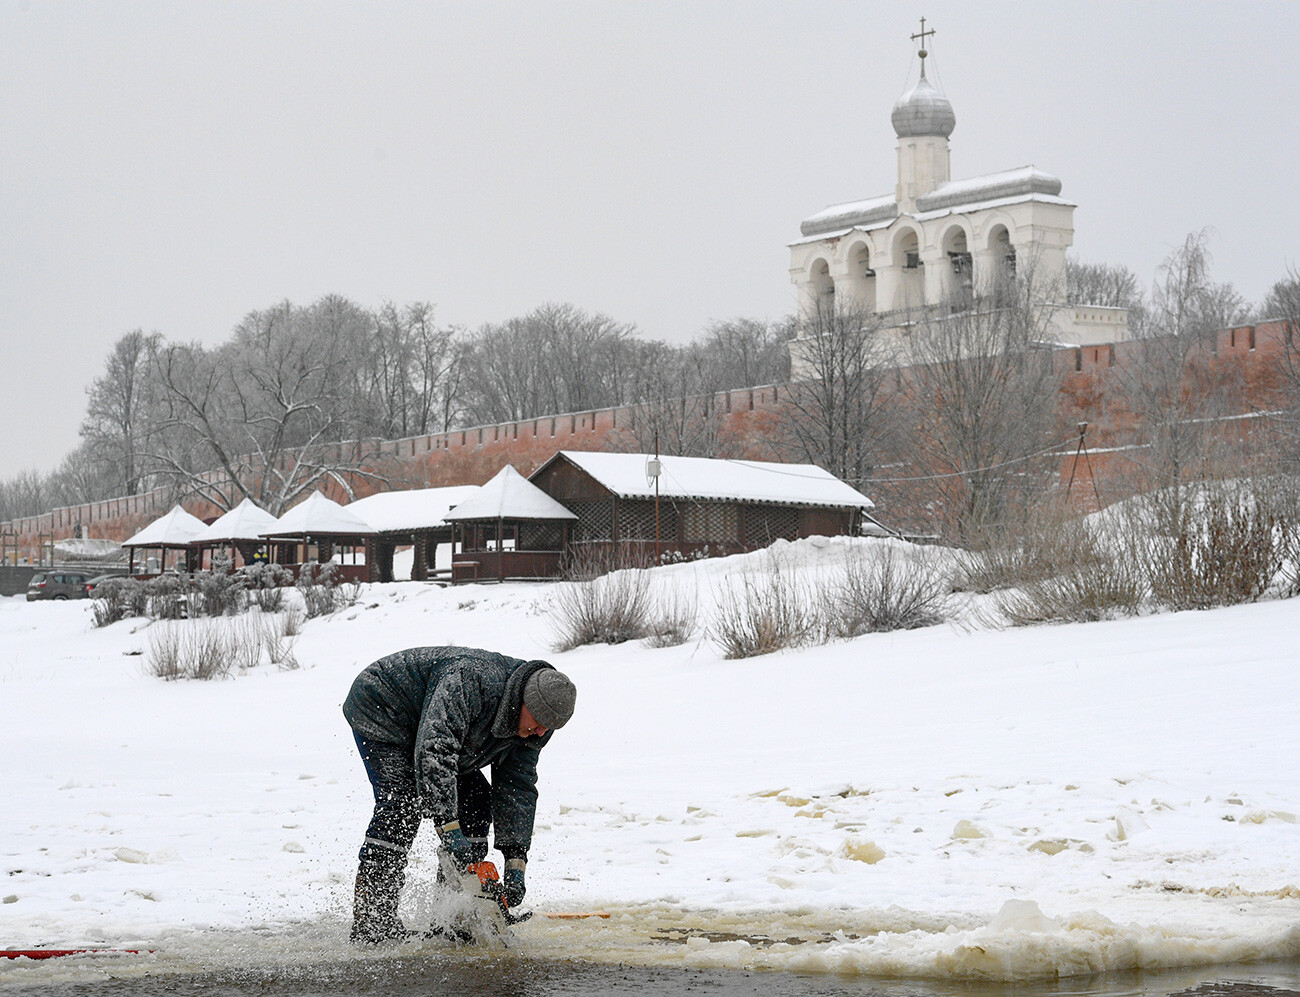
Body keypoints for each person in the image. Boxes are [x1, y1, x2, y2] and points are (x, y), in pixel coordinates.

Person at [341, 646, 577, 945]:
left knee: (477, 801)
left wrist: (516, 859)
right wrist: (448, 827)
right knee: (401, 805)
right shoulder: (470, 681)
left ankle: (455, 917)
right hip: (385, 705)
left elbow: (517, 785)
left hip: (448, 734)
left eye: (550, 727)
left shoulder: (538, 724)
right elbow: (436, 750)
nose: (542, 732)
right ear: (523, 701)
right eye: (539, 721)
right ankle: (372, 922)